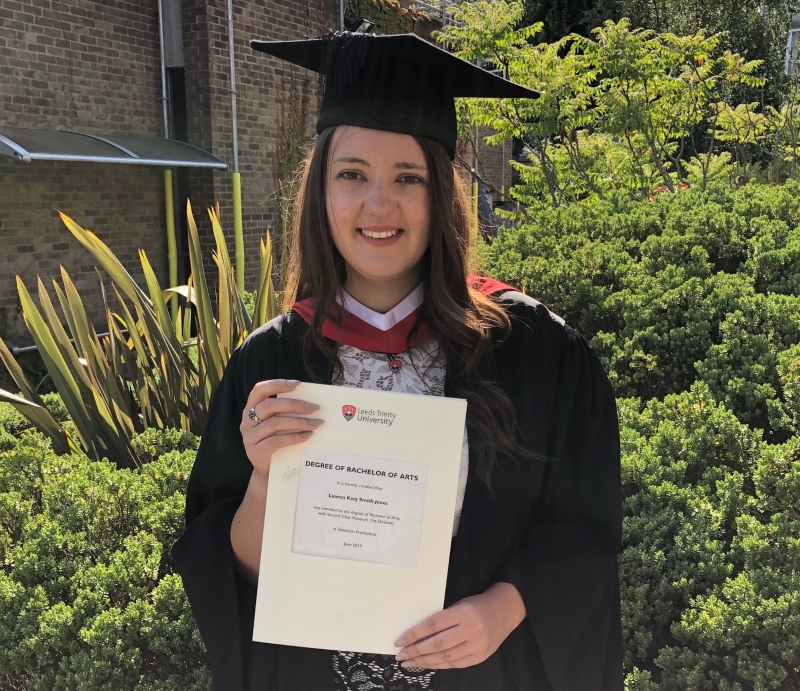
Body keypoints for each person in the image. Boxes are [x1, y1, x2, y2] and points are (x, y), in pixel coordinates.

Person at [172, 32, 622, 691]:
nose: (378, 205)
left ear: (440, 192)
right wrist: (267, 481)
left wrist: (502, 608)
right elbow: (228, 573)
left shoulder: (537, 352)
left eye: (406, 178)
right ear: (321, 189)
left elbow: (586, 526)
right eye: (352, 174)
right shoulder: (270, 362)